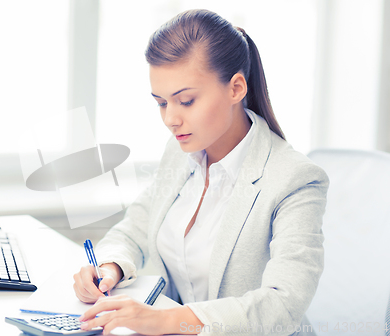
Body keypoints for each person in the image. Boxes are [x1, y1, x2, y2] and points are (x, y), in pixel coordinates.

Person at [73, 9, 329, 336]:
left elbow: (282, 305)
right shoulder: (182, 153)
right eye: (161, 103)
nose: (170, 119)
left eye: (187, 101)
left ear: (236, 88)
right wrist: (110, 267)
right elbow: (135, 227)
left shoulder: (294, 179)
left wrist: (165, 320)